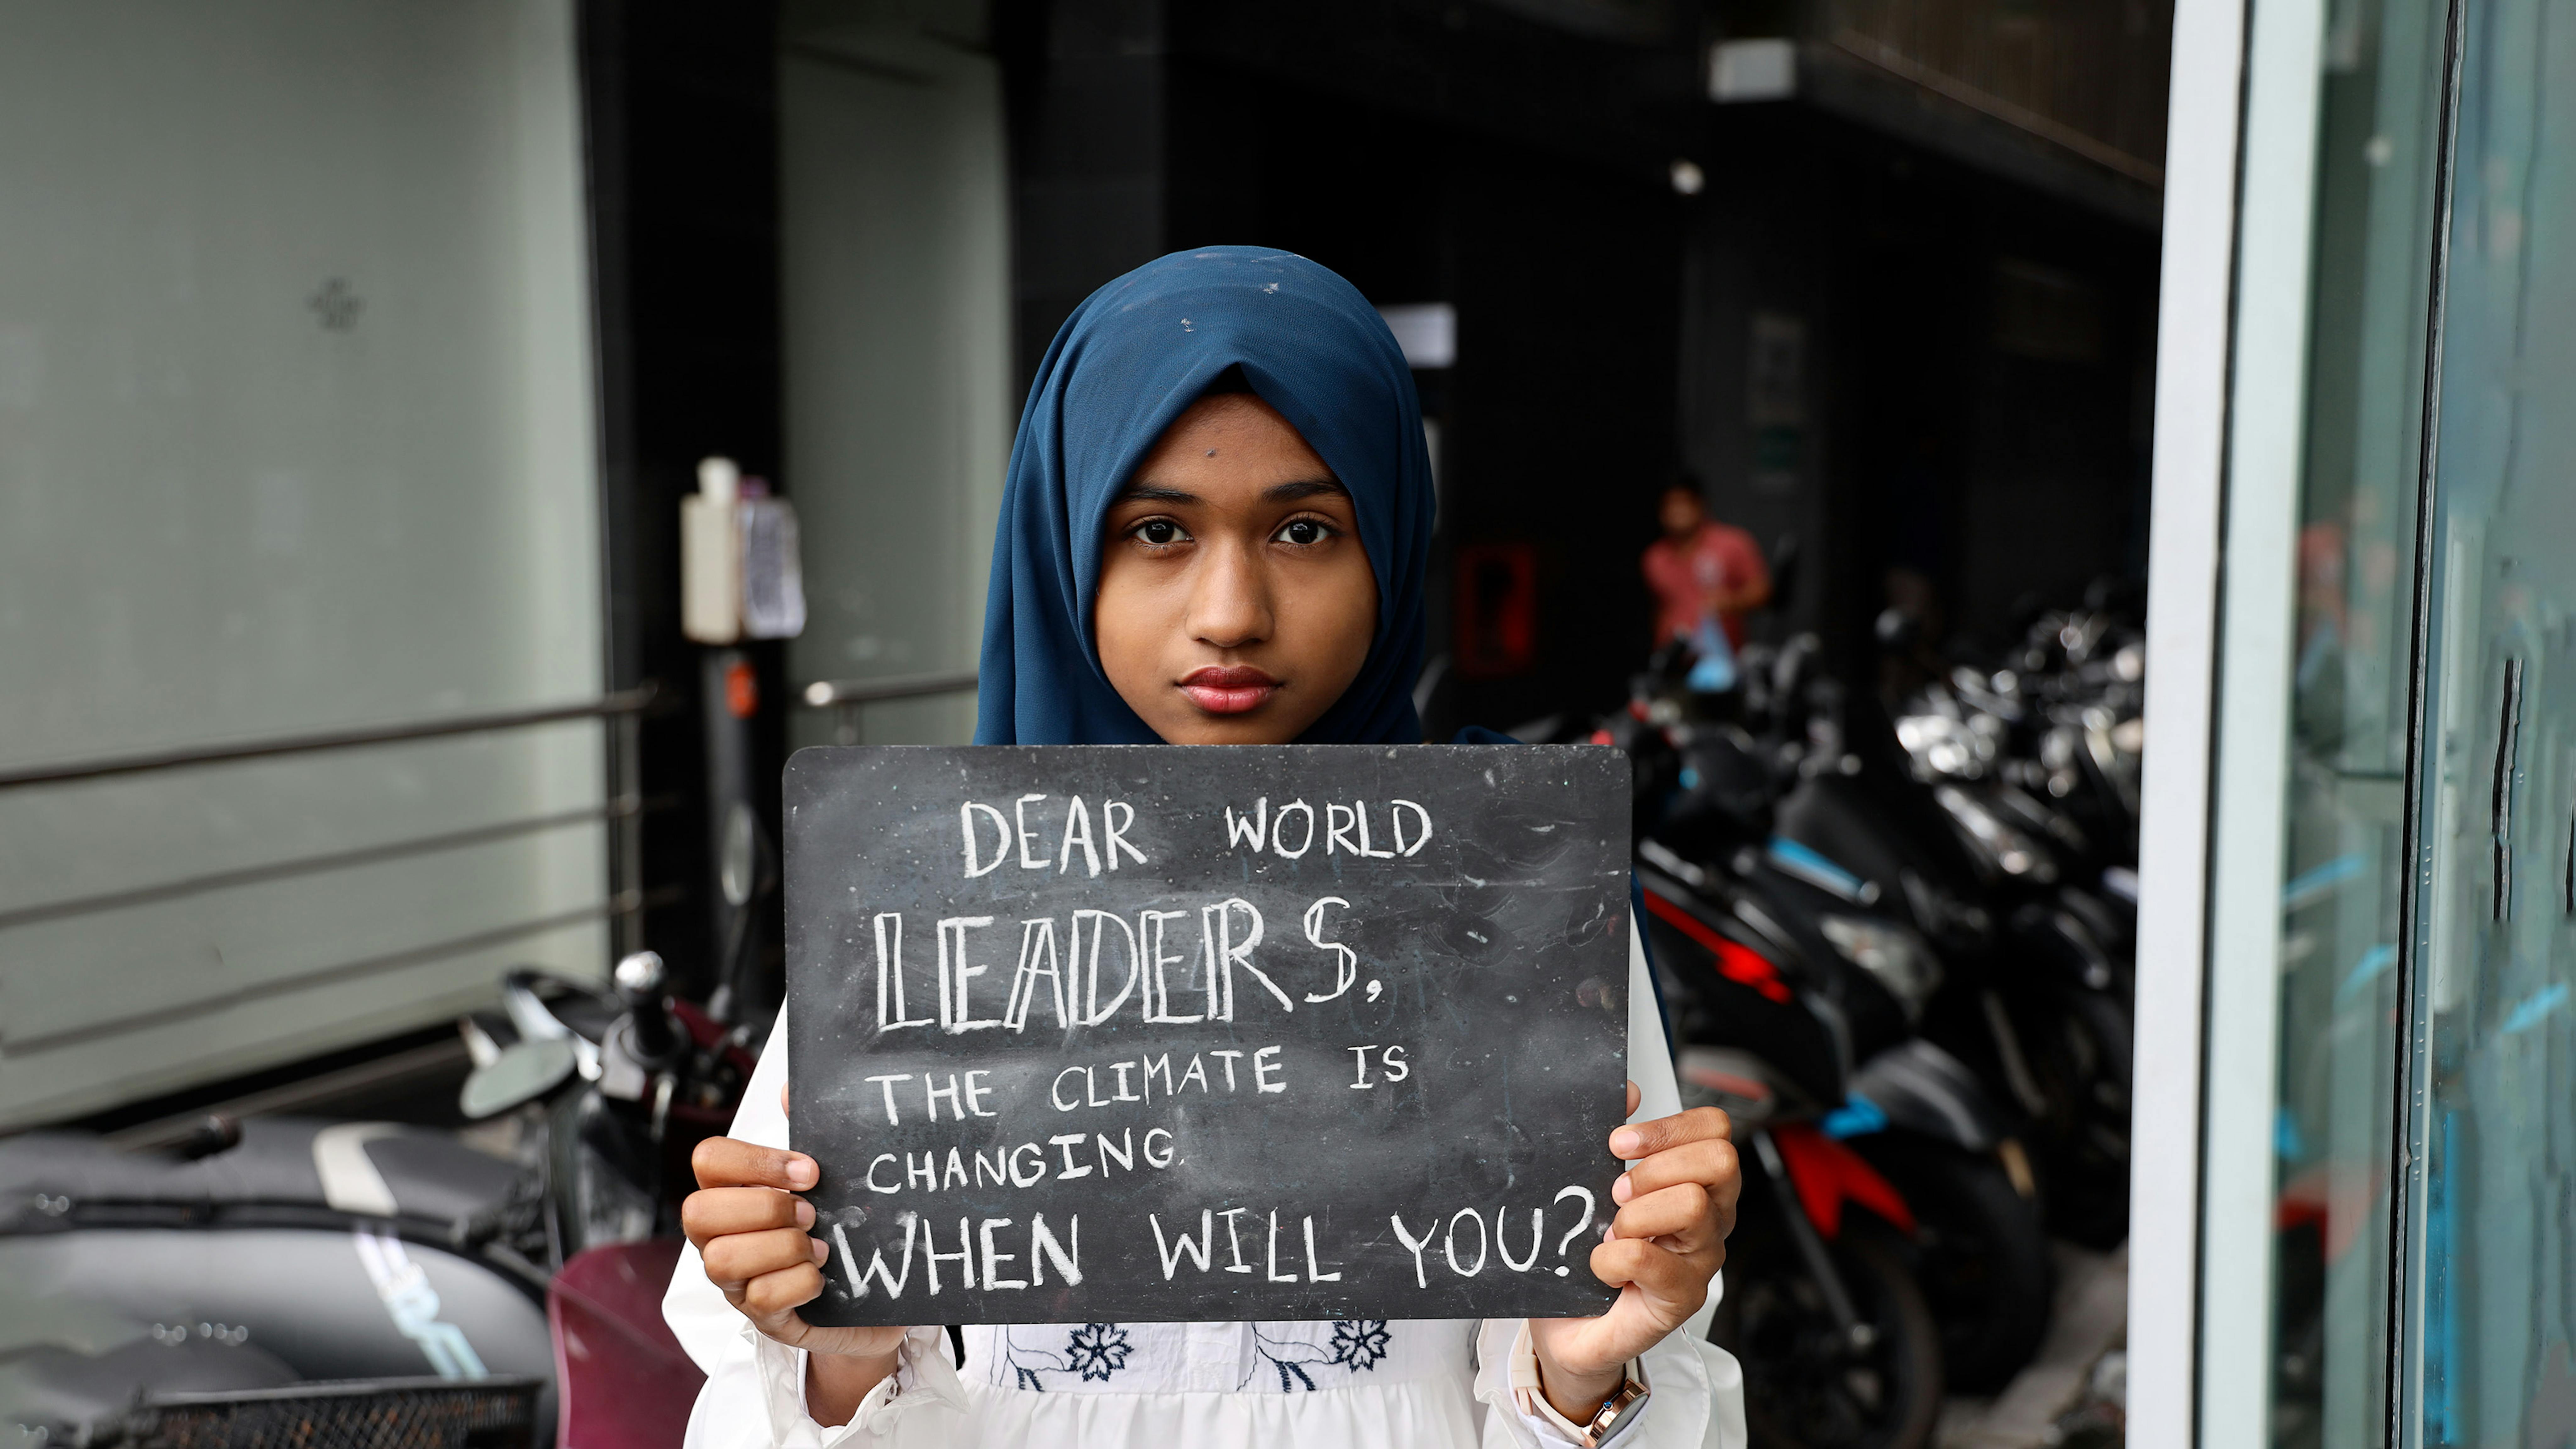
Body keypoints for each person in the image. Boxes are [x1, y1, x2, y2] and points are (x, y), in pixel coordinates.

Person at [662, 248, 1748, 1448]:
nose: (1229, 613)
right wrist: (843, 1372)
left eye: (1300, 529)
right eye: (1157, 530)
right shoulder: (928, 905)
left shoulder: (1512, 895)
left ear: (1389, 547)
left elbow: (1610, 1365)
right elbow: (772, 1397)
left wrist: (1583, 1382)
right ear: (1063, 545)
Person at [1640, 483, 1770, 654]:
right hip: (1672, 658)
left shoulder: (1732, 544)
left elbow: (1762, 591)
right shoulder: (1654, 558)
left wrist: (1733, 602)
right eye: (1671, 505)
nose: (1678, 511)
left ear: (1700, 505)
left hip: (1723, 659)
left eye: (1684, 503)